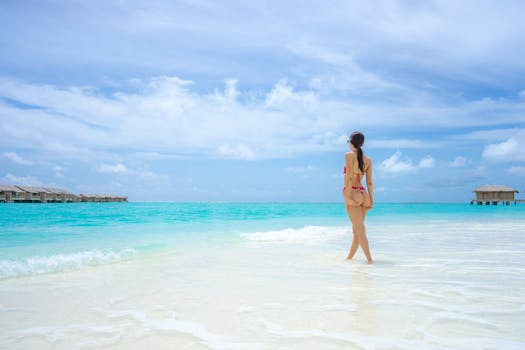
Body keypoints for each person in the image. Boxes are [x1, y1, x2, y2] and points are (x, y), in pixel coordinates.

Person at [342, 131, 374, 264]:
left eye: (348, 141)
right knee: (357, 230)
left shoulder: (349, 155)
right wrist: (371, 200)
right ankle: (349, 259)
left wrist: (347, 197)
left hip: (353, 194)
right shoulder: (368, 160)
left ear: (351, 142)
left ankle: (370, 261)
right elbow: (370, 183)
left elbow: (349, 178)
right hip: (363, 194)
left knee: (359, 230)